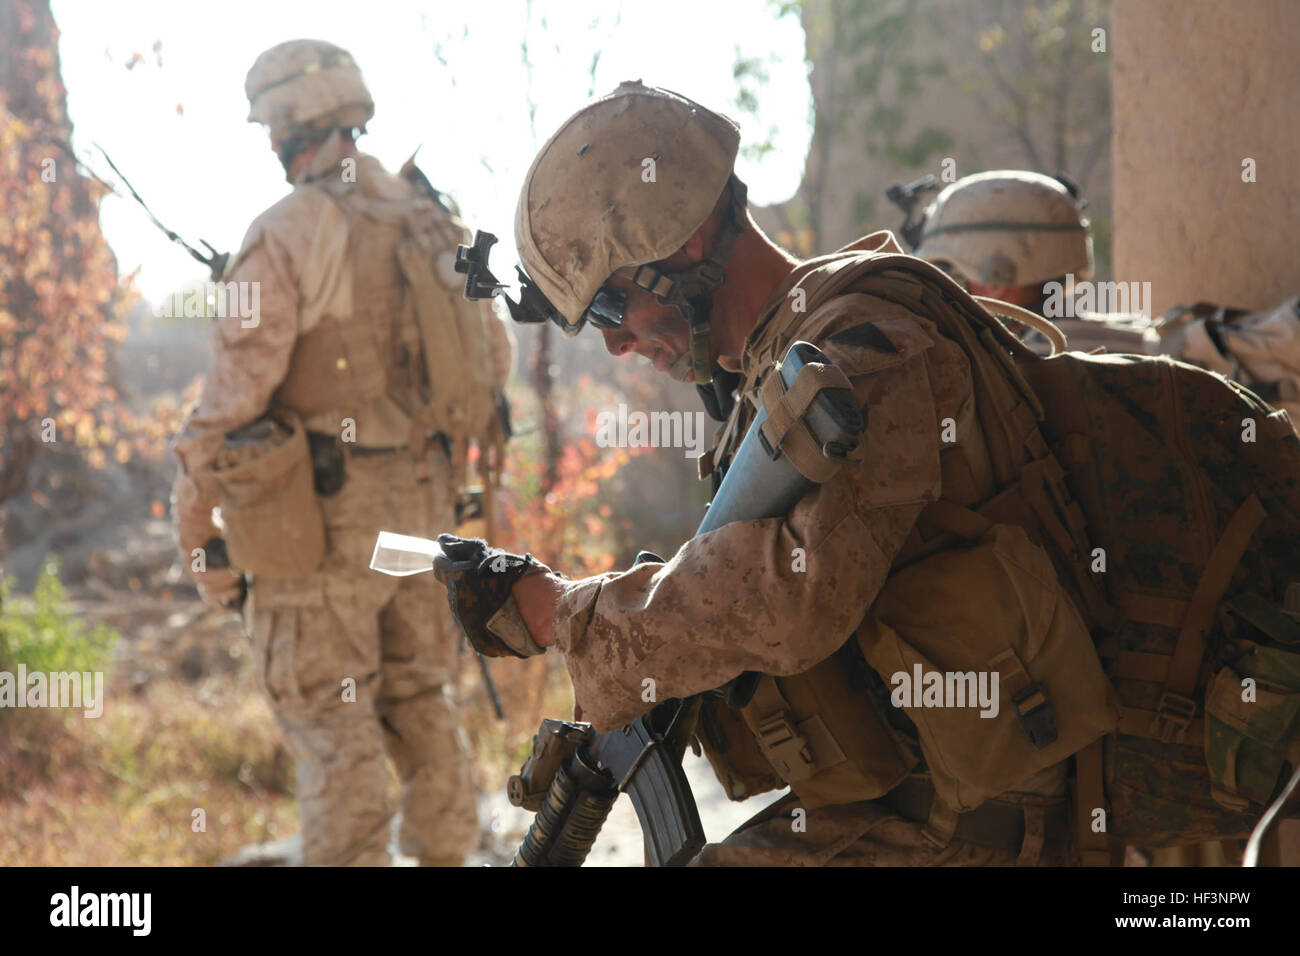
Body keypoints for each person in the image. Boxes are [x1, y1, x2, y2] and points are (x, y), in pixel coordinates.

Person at [436, 82, 1300, 868]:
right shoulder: (774, 365)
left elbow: (793, 595)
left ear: (691, 237)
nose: (617, 342)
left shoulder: (865, 347)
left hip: (989, 818)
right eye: (596, 324)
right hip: (919, 792)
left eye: (615, 305)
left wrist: (564, 615)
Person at [170, 39, 512, 866]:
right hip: (425, 514)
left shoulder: (288, 230)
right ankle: (447, 855)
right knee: (419, 696)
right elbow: (493, 366)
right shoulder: (435, 220)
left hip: (321, 523)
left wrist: (195, 526)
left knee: (328, 713)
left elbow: (233, 398)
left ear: (289, 127)